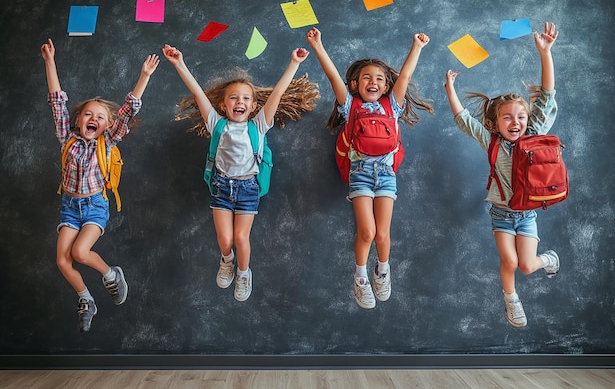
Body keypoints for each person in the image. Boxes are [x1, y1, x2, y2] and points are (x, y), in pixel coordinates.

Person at [162, 44, 312, 302]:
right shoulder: (216, 124)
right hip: (221, 186)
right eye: (233, 98)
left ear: (254, 106)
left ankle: (244, 273)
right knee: (225, 238)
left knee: (241, 237)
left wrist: (294, 64)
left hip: (248, 189)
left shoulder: (260, 125)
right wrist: (179, 64)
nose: (239, 102)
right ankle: (227, 260)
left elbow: (277, 93)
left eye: (245, 98)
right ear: (222, 105)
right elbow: (197, 93)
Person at [306, 27, 434, 309]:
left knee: (384, 234)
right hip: (360, 175)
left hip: (386, 176)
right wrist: (318, 46)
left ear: (387, 87)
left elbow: (407, 76)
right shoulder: (350, 106)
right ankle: (361, 277)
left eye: (379, 79)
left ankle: (383, 271)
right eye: (366, 78)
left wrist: (417, 48)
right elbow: (332, 77)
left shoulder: (393, 107)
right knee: (367, 233)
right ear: (355, 85)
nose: (373, 82)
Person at [443, 22, 561, 327]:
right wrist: (450, 90)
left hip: (528, 214)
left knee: (526, 266)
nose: (516, 121)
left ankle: (548, 260)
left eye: (521, 116)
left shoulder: (533, 135)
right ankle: (511, 302)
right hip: (501, 214)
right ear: (496, 122)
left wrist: (545, 53)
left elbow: (546, 96)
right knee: (509, 262)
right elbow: (464, 120)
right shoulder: (492, 140)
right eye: (507, 117)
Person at [41, 38, 160, 332]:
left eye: (100, 117)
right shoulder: (66, 138)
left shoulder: (107, 143)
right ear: (78, 120)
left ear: (107, 125)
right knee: (62, 260)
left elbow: (128, 111)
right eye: (88, 115)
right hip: (70, 206)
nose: (93, 119)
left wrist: (143, 76)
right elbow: (57, 100)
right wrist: (49, 62)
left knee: (81, 254)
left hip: (95, 206)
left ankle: (110, 275)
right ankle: (86, 299)